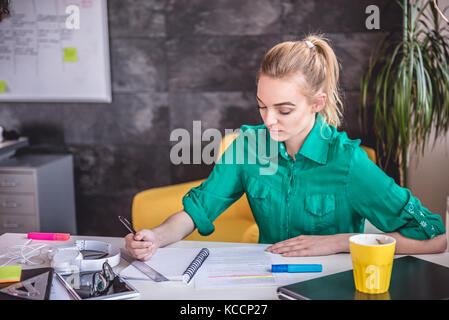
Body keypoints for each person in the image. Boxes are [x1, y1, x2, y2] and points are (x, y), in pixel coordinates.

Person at [125, 35, 447, 261]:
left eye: (284, 109)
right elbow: (198, 210)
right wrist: (155, 236)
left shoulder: (348, 162)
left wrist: (339, 243)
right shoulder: (248, 147)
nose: (269, 120)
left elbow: (435, 239)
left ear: (317, 103)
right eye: (262, 106)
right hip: (267, 283)